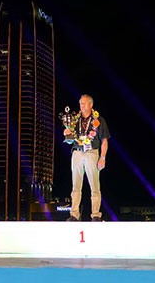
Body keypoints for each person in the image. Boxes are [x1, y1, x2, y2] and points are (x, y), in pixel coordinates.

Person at [63, 94, 110, 222]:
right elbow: (69, 141)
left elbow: (104, 141)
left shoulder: (99, 120)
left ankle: (95, 214)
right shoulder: (75, 120)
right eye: (80, 103)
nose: (81, 105)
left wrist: (103, 157)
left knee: (94, 186)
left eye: (84, 103)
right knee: (75, 186)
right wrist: (66, 133)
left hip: (92, 152)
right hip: (77, 153)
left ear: (91, 105)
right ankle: (74, 214)